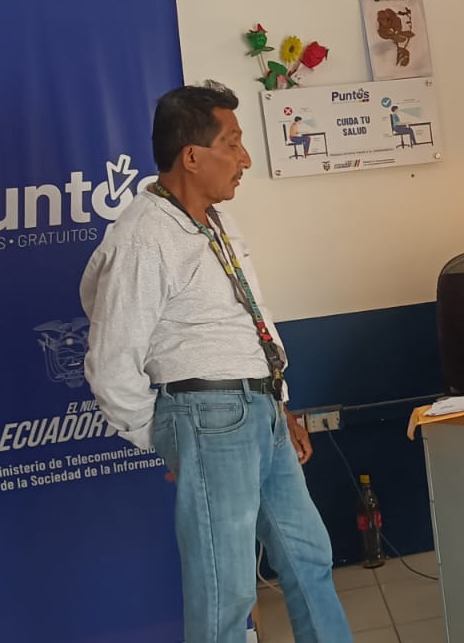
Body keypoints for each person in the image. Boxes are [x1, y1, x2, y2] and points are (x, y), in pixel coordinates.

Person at [80, 81, 351, 643]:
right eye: (233, 143)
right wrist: (168, 436)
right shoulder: (144, 237)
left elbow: (243, 323)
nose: (244, 159)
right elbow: (111, 362)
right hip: (208, 415)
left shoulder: (212, 221)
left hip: (258, 409)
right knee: (224, 588)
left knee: (309, 557)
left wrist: (278, 405)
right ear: (191, 156)